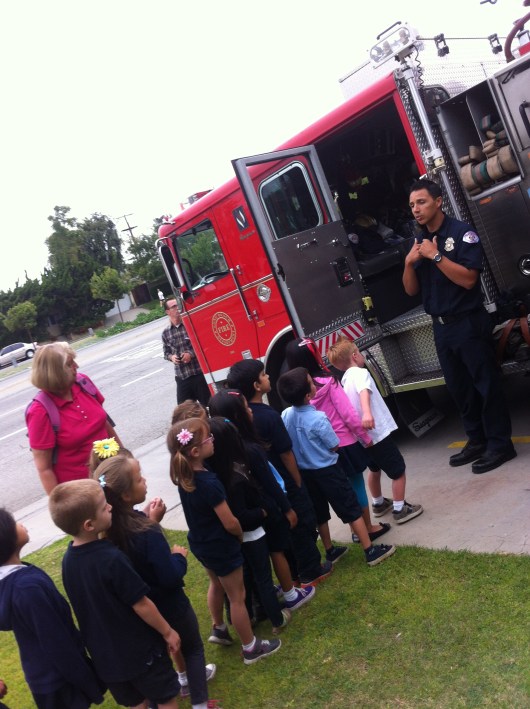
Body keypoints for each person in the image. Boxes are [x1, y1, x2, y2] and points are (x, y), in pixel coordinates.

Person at [403, 179, 516, 474]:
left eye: (422, 202)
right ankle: (477, 440)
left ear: (439, 201)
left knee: (486, 385)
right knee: (459, 388)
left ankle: (501, 445)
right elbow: (411, 291)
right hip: (441, 327)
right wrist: (408, 263)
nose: (416, 209)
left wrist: (436, 256)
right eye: (413, 204)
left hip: (468, 321)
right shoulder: (418, 241)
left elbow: (468, 280)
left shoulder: (461, 233)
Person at [92, 448, 217, 709]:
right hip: (171, 605)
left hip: (145, 615)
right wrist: (178, 556)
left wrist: (150, 519)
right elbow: (169, 576)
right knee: (193, 648)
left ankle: (179, 681)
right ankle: (200, 704)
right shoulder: (147, 531)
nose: (145, 481)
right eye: (139, 478)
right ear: (126, 495)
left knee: (165, 651)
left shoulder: (108, 534)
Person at [48, 479, 181, 709]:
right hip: (140, 652)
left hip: (107, 659)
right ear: (89, 525)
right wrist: (168, 631)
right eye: (103, 506)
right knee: (166, 698)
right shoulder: (111, 558)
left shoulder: (68, 561)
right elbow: (141, 604)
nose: (110, 507)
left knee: (137, 704)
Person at [167, 417, 281, 666]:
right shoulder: (210, 483)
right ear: (196, 451)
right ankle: (251, 647)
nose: (213, 439)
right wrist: (239, 535)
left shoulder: (185, 477)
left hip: (201, 544)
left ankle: (219, 627)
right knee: (237, 596)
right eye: (209, 437)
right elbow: (229, 521)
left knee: (215, 584)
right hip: (221, 546)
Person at [225, 359, 333, 586]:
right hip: (285, 480)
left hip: (265, 485)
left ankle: (294, 572)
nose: (269, 378)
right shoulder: (269, 416)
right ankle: (311, 569)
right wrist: (297, 480)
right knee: (302, 523)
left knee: (285, 528)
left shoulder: (240, 416)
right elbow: (285, 453)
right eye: (264, 375)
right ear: (256, 385)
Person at [277, 367, 396, 567]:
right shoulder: (319, 418)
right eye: (311, 382)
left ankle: (330, 549)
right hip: (328, 471)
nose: (315, 384)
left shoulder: (286, 414)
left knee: (320, 513)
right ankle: (370, 550)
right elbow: (333, 444)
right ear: (308, 395)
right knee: (350, 507)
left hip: (305, 473)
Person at [285, 337, 390, 541]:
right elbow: (347, 414)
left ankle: (354, 530)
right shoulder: (328, 381)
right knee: (356, 485)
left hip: (320, 450)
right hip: (345, 444)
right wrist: (364, 436)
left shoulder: (295, 390)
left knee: (342, 490)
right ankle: (367, 527)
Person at [0, 508, 105, 709]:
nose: (20, 523)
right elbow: (56, 642)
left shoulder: (12, 580)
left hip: (43, 676)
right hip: (58, 678)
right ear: (6, 539)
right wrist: (86, 680)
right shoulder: (26, 588)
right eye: (14, 523)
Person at [208, 417, 292, 634]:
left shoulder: (218, 474)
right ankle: (277, 618)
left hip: (238, 538)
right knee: (262, 577)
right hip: (251, 535)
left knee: (248, 578)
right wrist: (262, 512)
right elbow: (242, 515)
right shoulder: (233, 479)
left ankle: (249, 618)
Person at [327, 337, 423, 525]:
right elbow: (364, 392)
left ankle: (378, 503)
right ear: (354, 356)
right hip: (377, 435)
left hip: (362, 439)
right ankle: (399, 508)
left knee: (374, 468)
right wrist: (368, 414)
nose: (361, 355)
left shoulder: (344, 381)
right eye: (359, 352)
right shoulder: (360, 373)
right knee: (398, 471)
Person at [27, 342, 121, 495]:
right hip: (83, 495)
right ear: (55, 372)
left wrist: (124, 459)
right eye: (70, 364)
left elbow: (105, 424)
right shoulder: (40, 412)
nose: (76, 366)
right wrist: (63, 506)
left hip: (113, 477)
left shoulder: (83, 383)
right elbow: (44, 469)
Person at [162, 299, 211, 406]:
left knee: (209, 407)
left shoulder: (190, 325)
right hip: (182, 377)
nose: (177, 308)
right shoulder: (166, 333)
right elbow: (166, 353)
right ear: (167, 312)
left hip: (198, 373)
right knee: (184, 412)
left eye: (177, 305)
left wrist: (191, 354)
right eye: (173, 306)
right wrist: (172, 357)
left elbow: (204, 345)